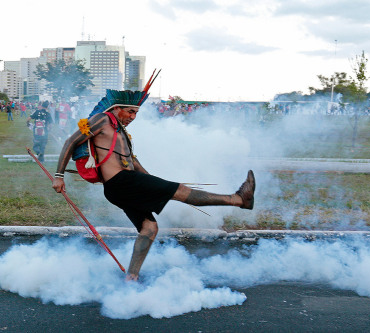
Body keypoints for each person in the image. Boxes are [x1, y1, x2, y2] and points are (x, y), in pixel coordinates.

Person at [51, 90, 256, 282]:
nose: (133, 117)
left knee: (149, 228)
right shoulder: (102, 120)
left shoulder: (119, 131)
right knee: (182, 191)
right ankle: (239, 199)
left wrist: (152, 182)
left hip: (121, 186)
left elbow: (133, 162)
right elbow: (70, 141)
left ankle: (131, 278)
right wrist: (59, 176)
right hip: (121, 182)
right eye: (130, 111)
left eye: (136, 113)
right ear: (116, 108)